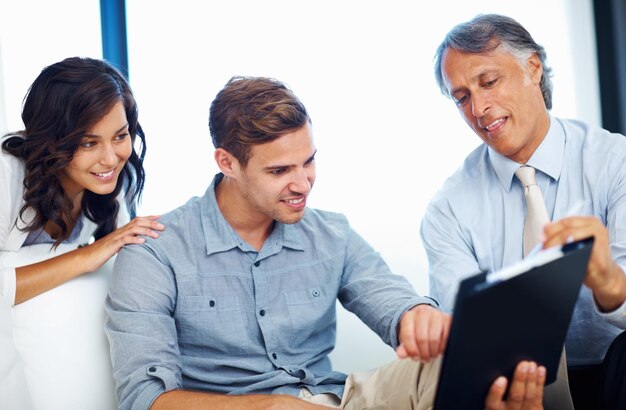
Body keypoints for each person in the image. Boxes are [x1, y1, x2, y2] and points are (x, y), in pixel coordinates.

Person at [105, 75, 546, 410]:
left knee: (487, 362)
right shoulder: (154, 252)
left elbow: (388, 297)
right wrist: (272, 408)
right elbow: (145, 399)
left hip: (340, 400)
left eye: (309, 161)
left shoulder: (330, 233)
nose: (303, 183)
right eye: (280, 171)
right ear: (227, 163)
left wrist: (418, 317)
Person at [423, 13, 626, 410]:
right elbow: (466, 337)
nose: (478, 108)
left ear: (533, 68)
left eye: (488, 81)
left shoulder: (615, 161)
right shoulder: (447, 209)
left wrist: (608, 279)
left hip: (614, 371)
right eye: (461, 97)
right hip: (512, 387)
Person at [0, 56, 164, 409]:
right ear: (52, 140)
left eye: (120, 136)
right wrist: (88, 256)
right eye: (89, 143)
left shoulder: (114, 182)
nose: (110, 159)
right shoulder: (6, 176)